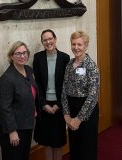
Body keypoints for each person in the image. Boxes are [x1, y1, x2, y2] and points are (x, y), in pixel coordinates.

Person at [0, 41, 40, 160]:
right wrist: (12, 131)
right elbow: (5, 107)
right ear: (11, 56)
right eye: (18, 53)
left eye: (24, 53)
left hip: (26, 123)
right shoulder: (7, 78)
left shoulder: (29, 70)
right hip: (13, 127)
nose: (22, 56)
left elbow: (32, 93)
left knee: (24, 155)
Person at [62, 31, 100, 160]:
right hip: (72, 109)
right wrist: (67, 115)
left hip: (87, 111)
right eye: (73, 44)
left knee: (87, 148)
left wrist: (78, 119)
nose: (76, 47)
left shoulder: (91, 66)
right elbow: (64, 90)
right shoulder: (69, 64)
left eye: (79, 44)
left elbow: (93, 96)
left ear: (86, 46)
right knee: (75, 147)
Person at [33, 29, 70, 160]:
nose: (48, 42)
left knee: (58, 141)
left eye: (50, 39)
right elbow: (36, 83)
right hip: (44, 106)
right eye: (45, 40)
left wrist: (58, 105)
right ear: (42, 42)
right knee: (46, 141)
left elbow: (67, 84)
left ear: (55, 39)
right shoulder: (38, 58)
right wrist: (43, 104)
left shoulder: (65, 58)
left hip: (59, 105)